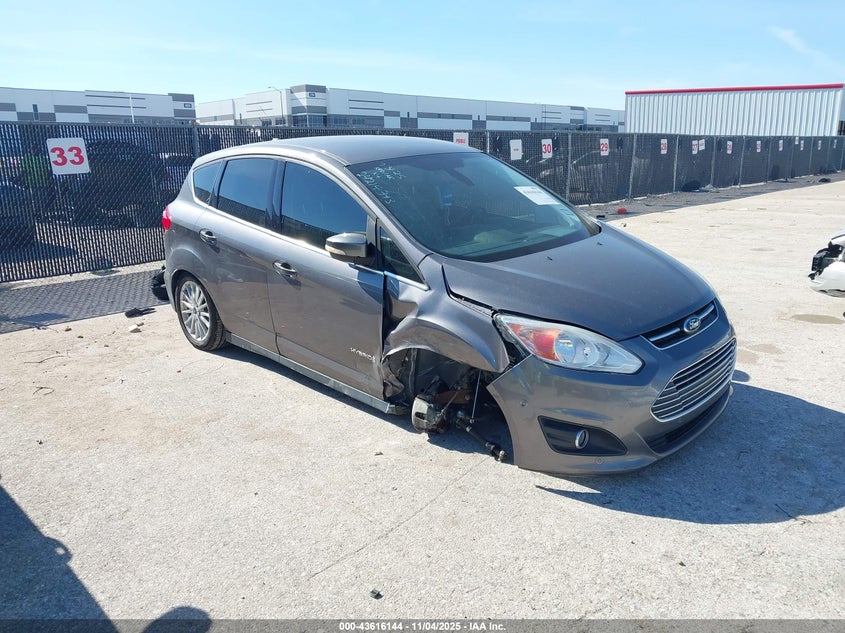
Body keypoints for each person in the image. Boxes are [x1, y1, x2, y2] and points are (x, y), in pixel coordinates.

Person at [19, 143, 53, 215]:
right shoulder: (27, 159)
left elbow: (49, 171)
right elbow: (23, 172)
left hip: (43, 183)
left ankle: (40, 213)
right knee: (35, 200)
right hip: (32, 183)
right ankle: (37, 213)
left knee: (41, 200)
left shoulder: (43, 159)